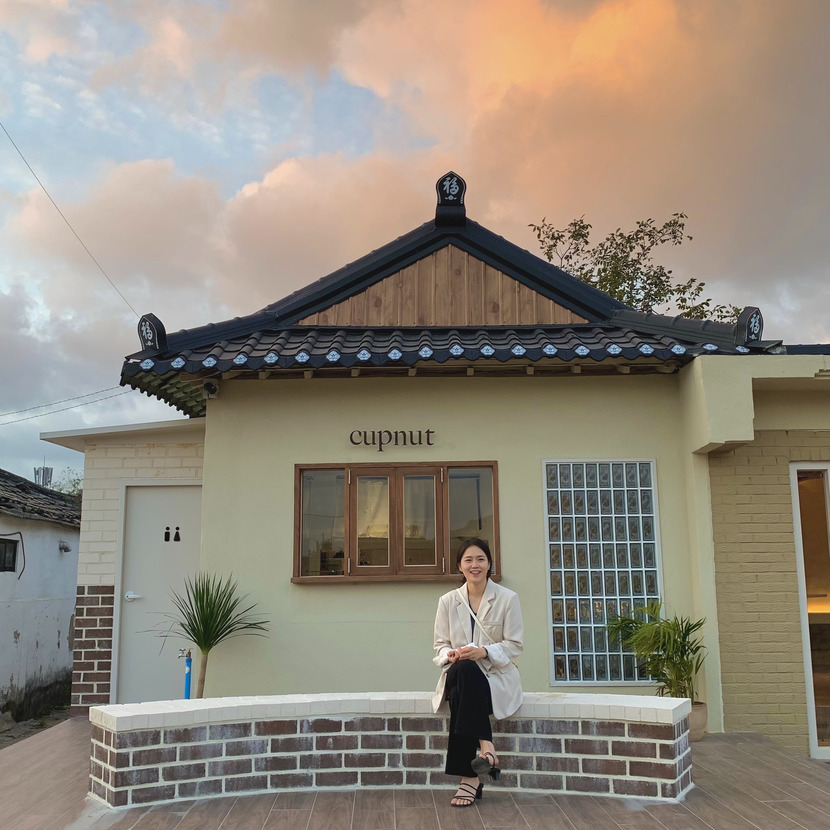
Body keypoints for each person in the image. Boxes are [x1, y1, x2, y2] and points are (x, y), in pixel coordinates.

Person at [432, 538, 524, 807]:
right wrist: (450, 654)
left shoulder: (507, 598)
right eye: (468, 560)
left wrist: (483, 652)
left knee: (461, 688)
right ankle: (486, 746)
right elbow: (440, 646)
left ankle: (469, 778)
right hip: (460, 672)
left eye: (481, 559)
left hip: (495, 678)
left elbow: (515, 645)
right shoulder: (448, 601)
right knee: (463, 669)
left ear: (489, 564)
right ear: (459, 566)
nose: (475, 565)